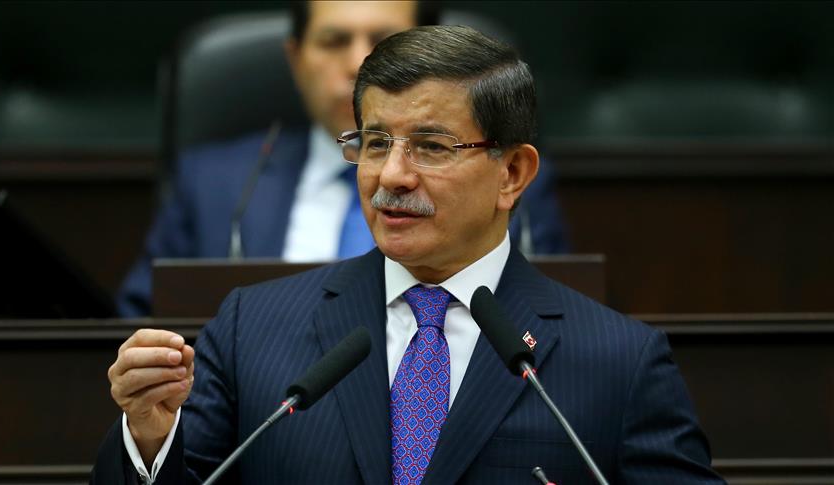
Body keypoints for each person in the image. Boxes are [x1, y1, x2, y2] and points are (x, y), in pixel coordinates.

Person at [94, 26, 722, 484]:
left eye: (431, 146)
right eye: (374, 143)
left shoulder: (620, 362)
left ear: (512, 173)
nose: (391, 175)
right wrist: (149, 437)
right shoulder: (250, 331)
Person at [115, 1, 568, 318]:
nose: (359, 62)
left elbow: (554, 315)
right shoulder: (215, 182)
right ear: (296, 59)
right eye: (334, 41)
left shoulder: (493, 173)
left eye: (384, 40)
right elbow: (142, 325)